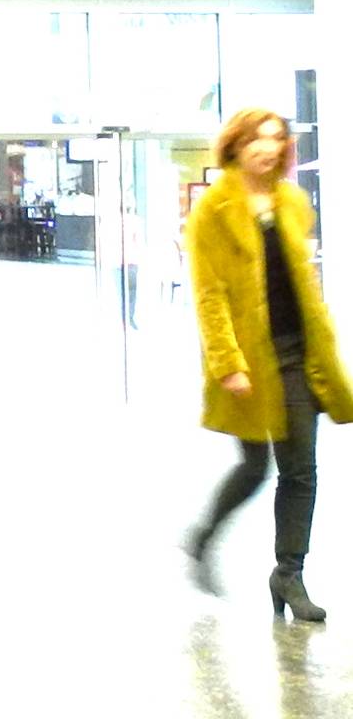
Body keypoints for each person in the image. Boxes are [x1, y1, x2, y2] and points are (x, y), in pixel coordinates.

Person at [182, 107, 353, 620]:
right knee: (256, 466)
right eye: (258, 138)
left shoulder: (293, 202)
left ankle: (289, 574)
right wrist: (227, 362)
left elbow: (304, 283)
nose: (269, 147)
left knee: (301, 470)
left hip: (299, 353)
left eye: (277, 139)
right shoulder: (214, 208)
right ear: (236, 144)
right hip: (250, 360)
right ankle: (203, 537)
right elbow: (209, 295)